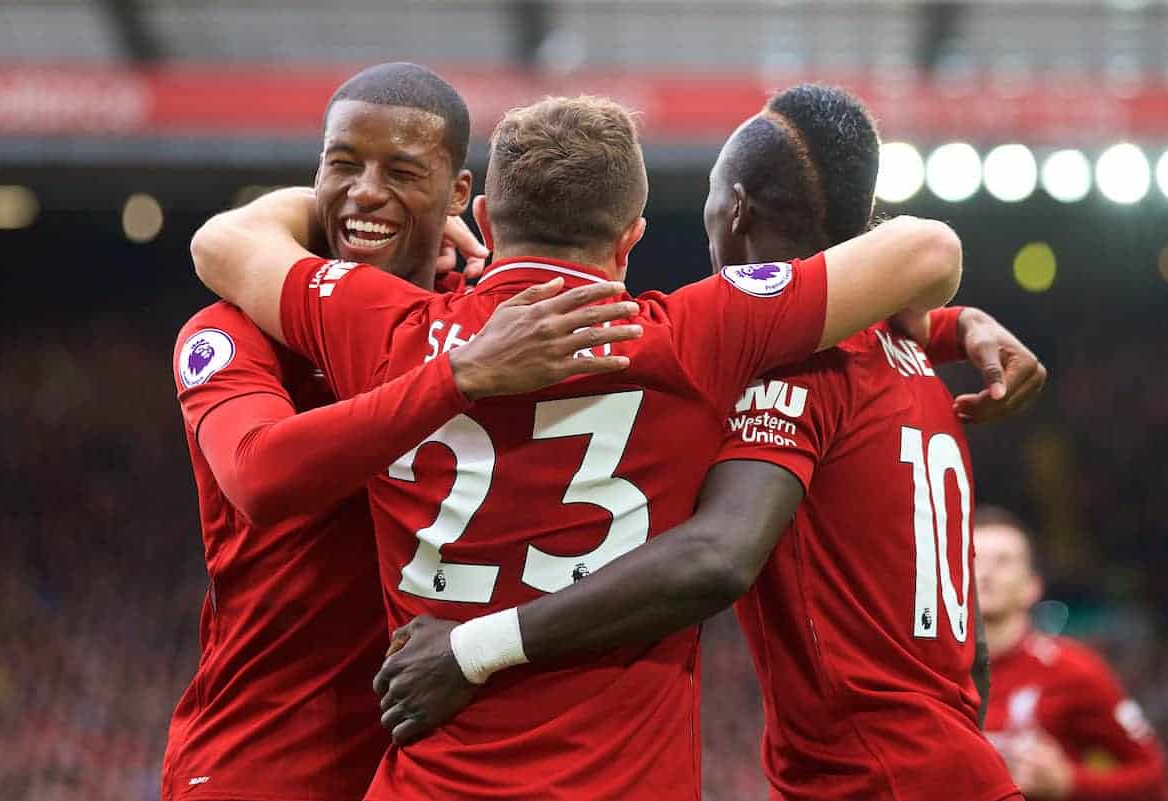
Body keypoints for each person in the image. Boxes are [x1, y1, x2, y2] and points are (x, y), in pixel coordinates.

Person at [192, 93, 964, 800]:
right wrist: (940, 323)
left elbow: (223, 241)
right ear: (630, 238)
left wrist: (336, 195)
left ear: (487, 221)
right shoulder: (694, 338)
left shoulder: (380, 324)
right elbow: (928, 251)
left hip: (432, 781)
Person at [377, 86, 1044, 801]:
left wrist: (472, 648)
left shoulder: (790, 367)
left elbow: (718, 554)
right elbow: (970, 652)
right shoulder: (913, 360)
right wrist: (955, 322)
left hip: (874, 779)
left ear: (736, 207)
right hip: (950, 765)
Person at [163, 65, 641, 801]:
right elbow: (261, 476)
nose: (364, 192)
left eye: (402, 171)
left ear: (461, 197)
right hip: (262, 760)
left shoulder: (493, 323)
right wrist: (458, 375)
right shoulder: (233, 329)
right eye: (342, 165)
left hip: (432, 767)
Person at [974, 506, 1168, 801]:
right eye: (975, 559)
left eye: (1003, 561)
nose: (986, 572)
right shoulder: (929, 669)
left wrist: (1069, 783)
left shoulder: (1073, 670)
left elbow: (1154, 776)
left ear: (1032, 586)